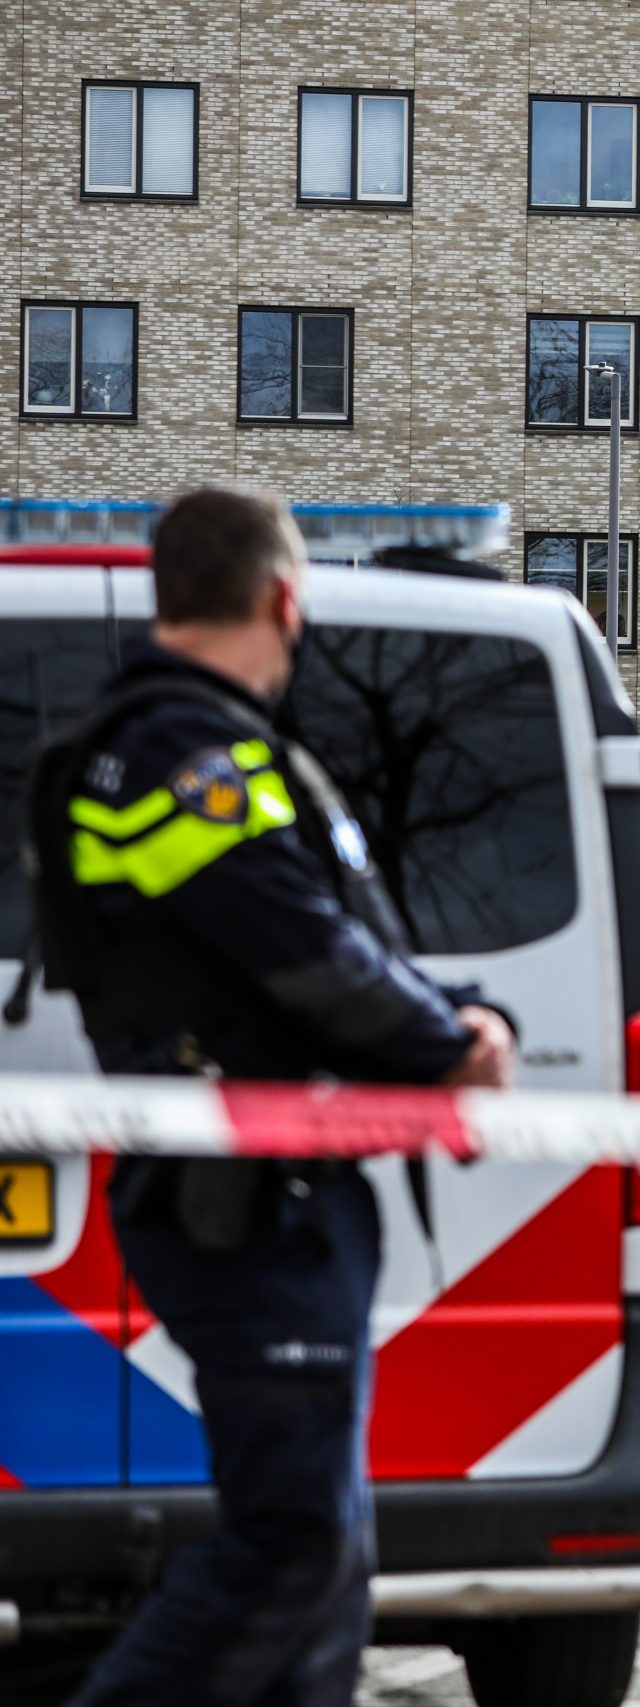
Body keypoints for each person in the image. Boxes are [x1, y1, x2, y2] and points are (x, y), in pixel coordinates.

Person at [22, 487, 516, 1707]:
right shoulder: (175, 762)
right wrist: (444, 1045)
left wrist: (444, 1012)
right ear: (281, 598)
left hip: (280, 1198)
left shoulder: (209, 749)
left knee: (328, 1566)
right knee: (295, 1542)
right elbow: (299, 956)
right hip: (242, 1204)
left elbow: (341, 941)